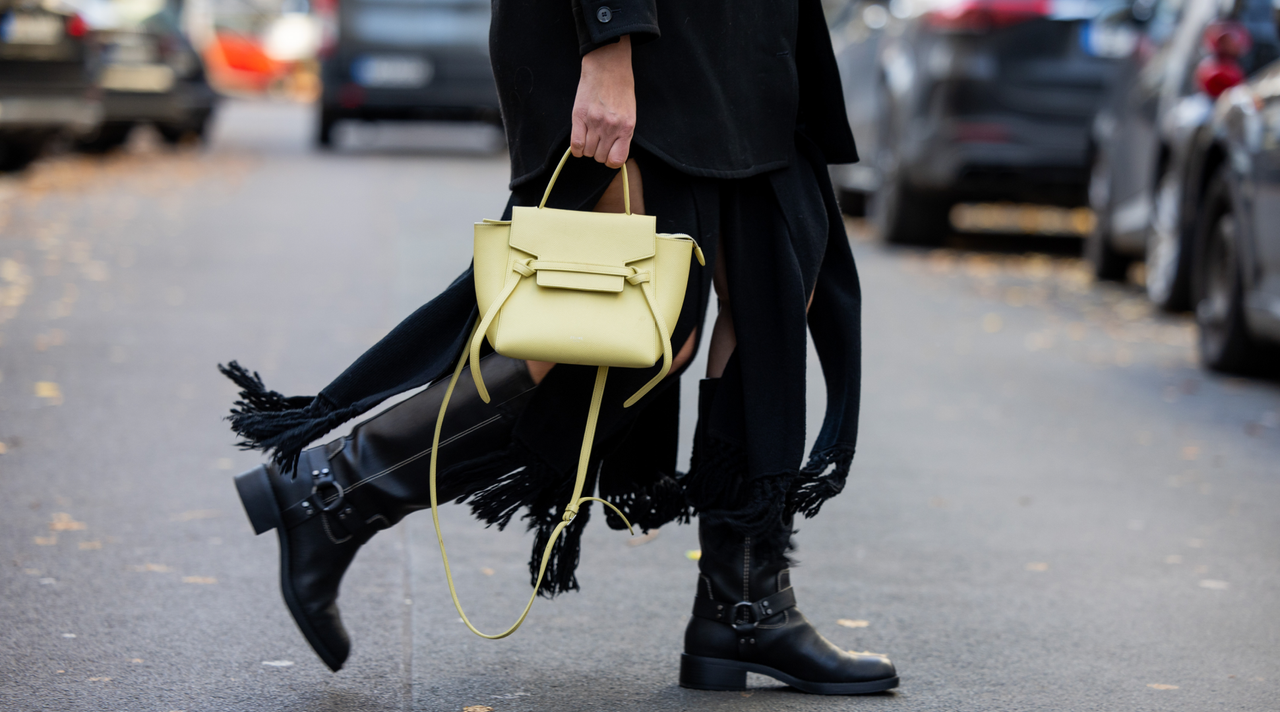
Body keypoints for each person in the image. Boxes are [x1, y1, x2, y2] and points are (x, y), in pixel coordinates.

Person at [221, 0, 898, 694]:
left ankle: (746, 607)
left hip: (750, 39)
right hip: (638, 41)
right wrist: (607, 43)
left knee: (777, 296)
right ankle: (337, 490)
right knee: (623, 321)